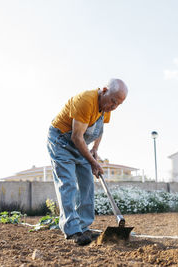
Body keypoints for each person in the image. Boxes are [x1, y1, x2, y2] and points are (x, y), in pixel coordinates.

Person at [47, 78, 128, 246]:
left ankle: (83, 227)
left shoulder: (107, 106)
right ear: (105, 90)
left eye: (118, 105)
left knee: (87, 184)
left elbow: (100, 129)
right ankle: (72, 230)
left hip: (80, 144)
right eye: (113, 101)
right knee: (68, 183)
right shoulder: (86, 101)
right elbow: (77, 137)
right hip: (61, 141)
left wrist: (95, 150)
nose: (114, 107)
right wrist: (93, 162)